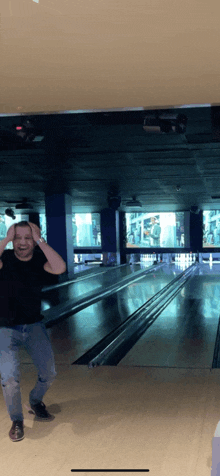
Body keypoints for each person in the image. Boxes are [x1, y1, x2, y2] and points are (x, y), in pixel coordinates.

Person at [0, 220, 66, 442]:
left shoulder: (40, 260)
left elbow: (60, 267)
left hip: (34, 326)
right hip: (5, 328)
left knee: (49, 374)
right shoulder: (5, 259)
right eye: (17, 237)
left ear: (35, 240)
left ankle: (35, 401)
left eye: (28, 238)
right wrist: (6, 239)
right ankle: (17, 421)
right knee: (9, 378)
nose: (22, 242)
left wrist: (40, 241)